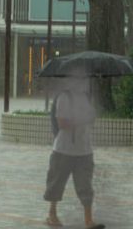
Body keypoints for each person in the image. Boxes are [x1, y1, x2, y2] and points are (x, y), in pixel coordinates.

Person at [44, 78, 104, 229]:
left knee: (86, 186)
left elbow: (91, 120)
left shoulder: (86, 98)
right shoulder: (64, 97)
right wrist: (81, 120)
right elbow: (62, 123)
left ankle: (88, 220)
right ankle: (52, 214)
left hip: (85, 150)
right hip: (63, 150)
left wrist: (90, 117)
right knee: (56, 183)